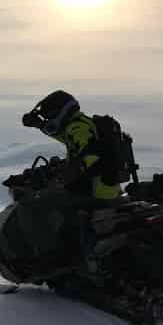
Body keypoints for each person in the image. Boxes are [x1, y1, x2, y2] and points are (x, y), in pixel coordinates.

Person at [17, 90, 122, 266]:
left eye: (49, 114)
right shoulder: (79, 124)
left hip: (92, 191)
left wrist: (65, 175)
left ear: (61, 111)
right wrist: (39, 125)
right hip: (103, 188)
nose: (48, 119)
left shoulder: (78, 127)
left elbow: (89, 152)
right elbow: (66, 138)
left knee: (31, 206)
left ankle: (48, 260)